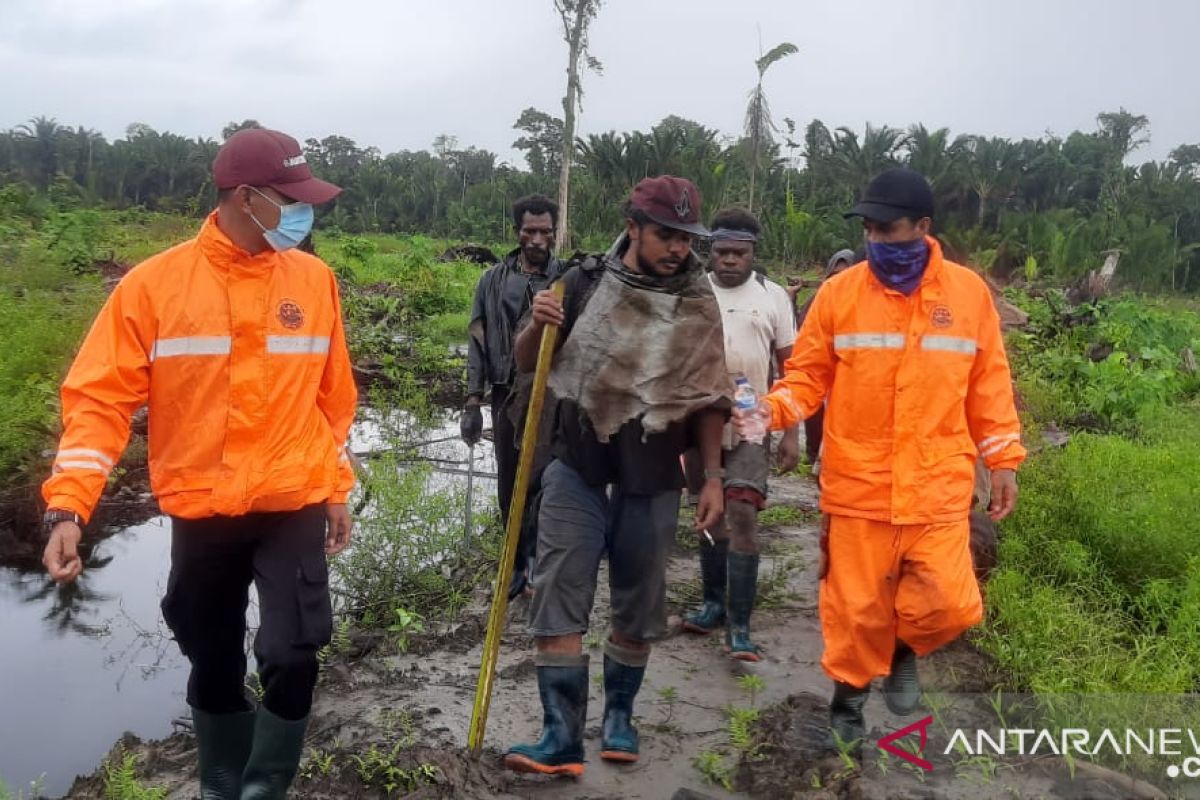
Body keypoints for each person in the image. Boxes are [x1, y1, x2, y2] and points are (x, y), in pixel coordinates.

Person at [40, 128, 357, 800]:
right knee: (210, 655)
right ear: (245, 197)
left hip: (290, 499)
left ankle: (266, 787)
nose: (305, 214)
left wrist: (337, 488)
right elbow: (98, 401)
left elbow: (333, 403)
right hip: (203, 508)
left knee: (292, 650)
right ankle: (221, 785)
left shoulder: (313, 279)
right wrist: (69, 505)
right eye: (291, 200)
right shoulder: (154, 287)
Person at [736, 168, 1025, 753]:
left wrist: (1003, 459)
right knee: (856, 607)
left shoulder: (968, 296)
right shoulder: (840, 295)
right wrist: (771, 412)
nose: (876, 241)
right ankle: (848, 700)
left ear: (923, 227)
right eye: (868, 229)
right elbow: (807, 379)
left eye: (887, 229)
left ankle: (902, 650)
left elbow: (989, 385)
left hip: (937, 484)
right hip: (858, 485)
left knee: (949, 601)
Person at [503, 176, 731, 777]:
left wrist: (711, 477)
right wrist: (538, 320)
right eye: (666, 235)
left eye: (686, 237)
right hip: (577, 466)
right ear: (633, 227)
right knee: (557, 589)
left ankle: (620, 718)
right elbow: (527, 362)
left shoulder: (697, 299)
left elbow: (710, 397)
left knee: (639, 600)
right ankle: (560, 736)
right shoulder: (581, 282)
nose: (678, 248)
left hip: (654, 474)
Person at [681, 207, 799, 662]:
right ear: (710, 250)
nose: (729, 260)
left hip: (752, 414)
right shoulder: (692, 292)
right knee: (710, 514)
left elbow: (792, 369)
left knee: (744, 514)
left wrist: (789, 434)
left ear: (753, 253)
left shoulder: (773, 297)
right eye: (722, 252)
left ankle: (741, 624)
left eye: (739, 253)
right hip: (697, 416)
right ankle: (712, 603)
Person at [461, 195, 565, 598]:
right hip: (506, 395)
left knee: (544, 482)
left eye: (544, 231)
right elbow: (477, 340)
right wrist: (473, 401)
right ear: (517, 232)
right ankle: (516, 567)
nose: (537, 239)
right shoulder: (492, 280)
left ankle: (542, 565)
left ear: (554, 233)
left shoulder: (566, 279)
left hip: (552, 397)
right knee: (509, 482)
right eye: (529, 231)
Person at [791, 248, 857, 468]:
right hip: (820, 372)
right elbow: (801, 331)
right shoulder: (819, 300)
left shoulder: (864, 305)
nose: (840, 280)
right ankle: (813, 454)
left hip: (849, 380)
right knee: (816, 412)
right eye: (835, 275)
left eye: (846, 274)